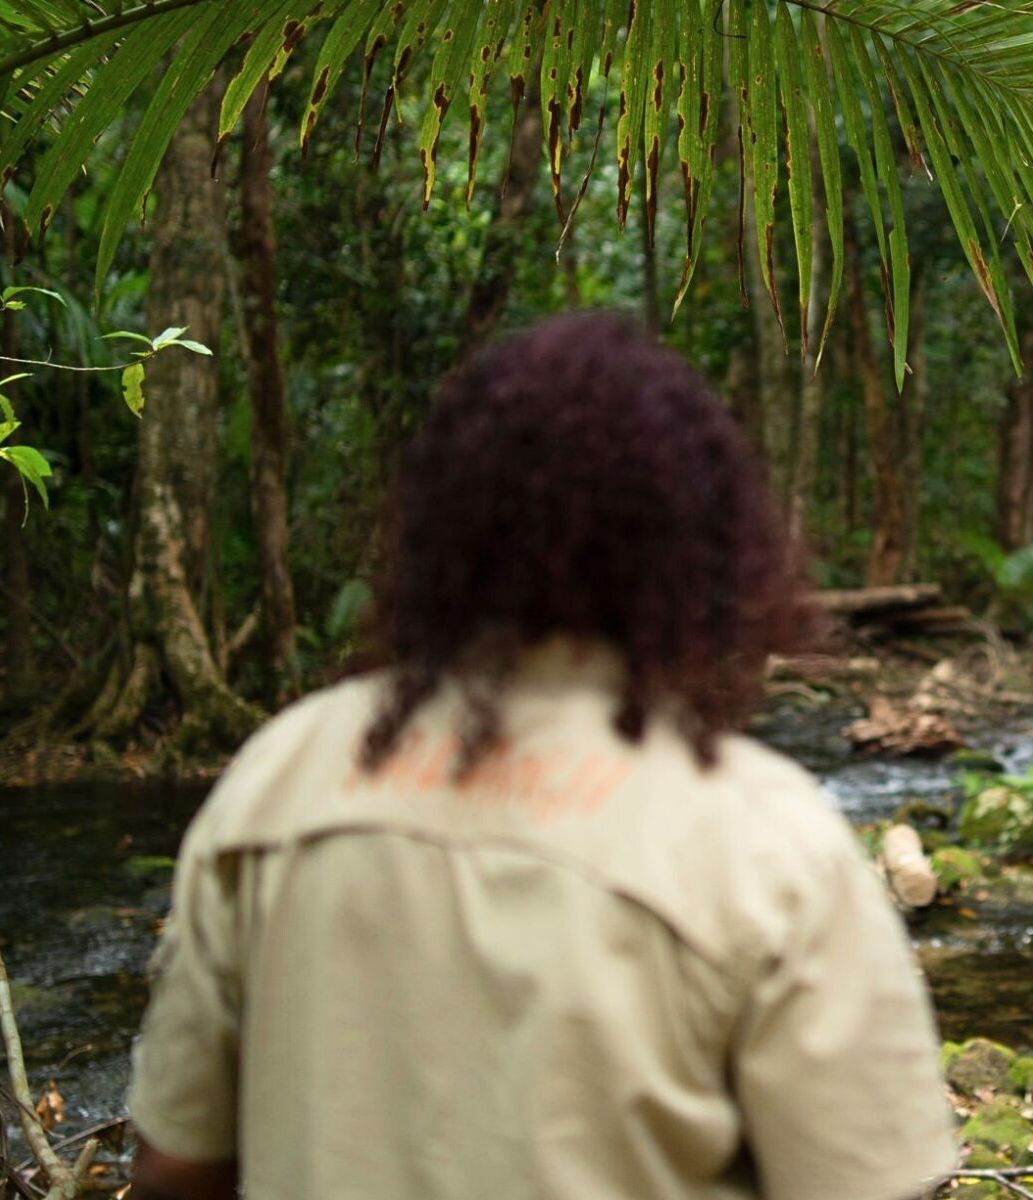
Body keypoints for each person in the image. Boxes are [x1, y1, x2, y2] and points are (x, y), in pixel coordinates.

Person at [126, 313, 956, 1200]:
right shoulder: (761, 842)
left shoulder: (283, 776)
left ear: (442, 531)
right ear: (700, 552)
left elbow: (176, 1163)